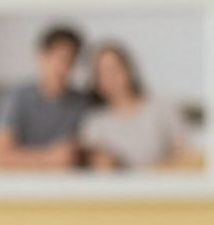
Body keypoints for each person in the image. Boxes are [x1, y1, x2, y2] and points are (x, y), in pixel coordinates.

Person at [79, 42, 194, 170]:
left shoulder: (162, 107)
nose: (110, 77)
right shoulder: (94, 123)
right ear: (96, 82)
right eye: (102, 73)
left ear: (129, 70)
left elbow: (187, 155)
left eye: (114, 69)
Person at [0, 23, 90, 170]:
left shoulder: (81, 102)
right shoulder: (15, 96)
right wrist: (50, 158)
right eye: (60, 59)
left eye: (71, 61)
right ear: (42, 56)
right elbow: (2, 155)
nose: (64, 68)